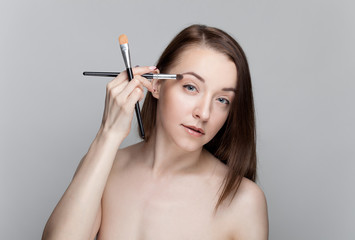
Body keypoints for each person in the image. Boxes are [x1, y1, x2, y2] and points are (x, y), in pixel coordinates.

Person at [42, 24, 268, 240]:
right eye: (191, 87)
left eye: (222, 100)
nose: (204, 113)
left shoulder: (244, 200)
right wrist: (108, 134)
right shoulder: (105, 168)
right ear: (156, 84)